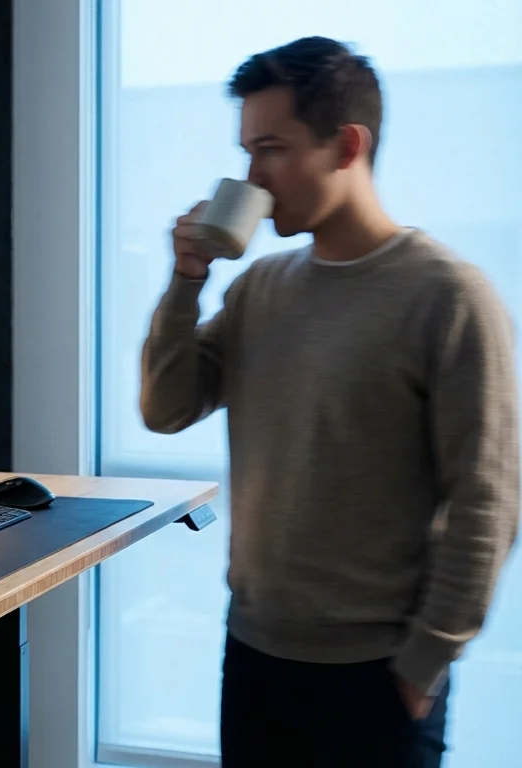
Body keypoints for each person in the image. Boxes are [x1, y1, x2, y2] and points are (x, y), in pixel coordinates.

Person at [140, 36, 520, 767]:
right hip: (254, 653)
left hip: (378, 678)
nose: (251, 177)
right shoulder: (260, 289)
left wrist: (424, 663)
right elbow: (167, 408)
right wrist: (186, 281)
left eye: (272, 150)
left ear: (347, 145)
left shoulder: (448, 297)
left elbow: (487, 498)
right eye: (247, 152)